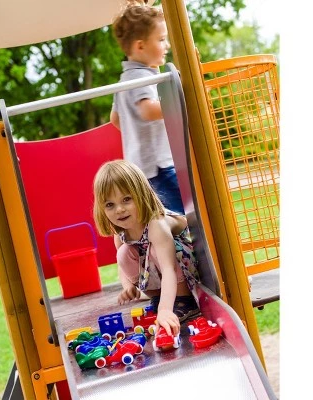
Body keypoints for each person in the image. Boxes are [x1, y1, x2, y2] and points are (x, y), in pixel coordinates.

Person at [93, 159, 200, 336]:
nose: (119, 210)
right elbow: (122, 263)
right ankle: (158, 297)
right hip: (162, 269)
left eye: (126, 199)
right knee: (124, 253)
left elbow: (168, 268)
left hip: (188, 266)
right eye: (110, 204)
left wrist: (165, 311)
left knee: (155, 251)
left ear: (141, 195)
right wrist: (128, 286)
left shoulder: (156, 224)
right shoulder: (120, 231)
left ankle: (184, 300)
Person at [110, 1, 184, 214]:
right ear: (140, 46)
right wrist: (182, 100)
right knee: (187, 212)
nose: (166, 45)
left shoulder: (124, 79)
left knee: (165, 215)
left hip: (140, 167)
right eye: (161, 39)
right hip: (158, 166)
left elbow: (115, 119)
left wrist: (137, 133)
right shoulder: (140, 76)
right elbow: (148, 110)